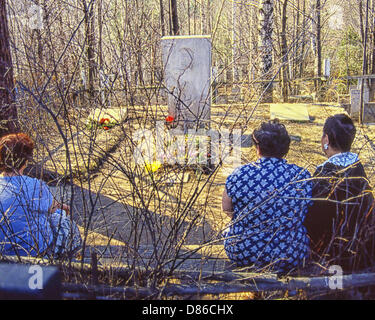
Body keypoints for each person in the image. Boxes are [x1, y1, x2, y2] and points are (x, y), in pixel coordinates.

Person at [222, 120, 312, 273]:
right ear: (285, 149)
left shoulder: (238, 175)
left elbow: (227, 209)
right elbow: (307, 211)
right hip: (290, 253)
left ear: (258, 148)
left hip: (244, 252)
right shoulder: (302, 176)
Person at [304, 114, 374, 272]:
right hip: (362, 255)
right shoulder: (358, 170)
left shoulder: (325, 174)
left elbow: (314, 223)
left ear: (326, 139)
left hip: (331, 260)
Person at [0, 133, 81, 258]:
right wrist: (63, 208)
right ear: (25, 161)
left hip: (3, 252)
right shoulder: (35, 186)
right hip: (31, 252)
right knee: (66, 223)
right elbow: (53, 208)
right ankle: (67, 264)